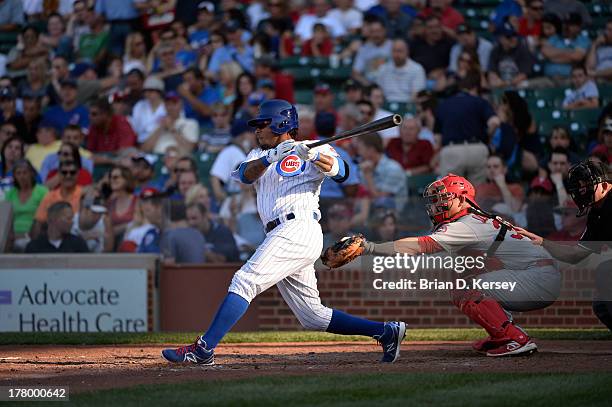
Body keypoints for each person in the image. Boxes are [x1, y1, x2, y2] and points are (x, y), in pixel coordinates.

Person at [162, 99, 406, 365]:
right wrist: (271, 157)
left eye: (263, 124)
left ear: (281, 124)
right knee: (312, 316)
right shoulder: (257, 155)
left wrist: (313, 155)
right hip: (279, 234)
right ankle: (386, 332)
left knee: (245, 281)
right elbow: (244, 175)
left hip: (299, 227)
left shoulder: (316, 149)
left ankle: (203, 349)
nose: (257, 130)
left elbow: (343, 173)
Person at [335, 174, 560, 356]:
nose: (437, 204)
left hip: (537, 278)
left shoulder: (466, 224)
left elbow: (422, 246)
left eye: (444, 198)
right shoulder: (474, 219)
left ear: (462, 200)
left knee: (465, 287)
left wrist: (371, 248)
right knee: (463, 273)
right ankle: (501, 332)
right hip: (536, 274)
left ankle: (514, 338)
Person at [517, 160, 611, 331]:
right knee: (602, 306)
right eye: (580, 186)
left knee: (606, 271)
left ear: (604, 185)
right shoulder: (596, 213)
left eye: (587, 185)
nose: (582, 190)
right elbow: (575, 255)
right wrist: (542, 242)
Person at [435, 72, 500, 185]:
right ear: (474, 88)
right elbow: (495, 122)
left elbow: (437, 139)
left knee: (452, 196)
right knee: (478, 195)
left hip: (452, 150)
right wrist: (487, 138)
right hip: (477, 148)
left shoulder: (443, 105)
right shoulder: (479, 101)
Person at [355, 132, 408, 211]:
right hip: (370, 213)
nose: (358, 153)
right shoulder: (365, 166)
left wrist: (368, 176)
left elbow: (380, 200)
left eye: (360, 149)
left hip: (393, 217)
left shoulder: (393, 169)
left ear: (371, 150)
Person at [4, 159, 47, 251]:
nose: (22, 176)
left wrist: (25, 235)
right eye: (18, 173)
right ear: (14, 176)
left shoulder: (42, 191)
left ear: (31, 174)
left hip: (34, 234)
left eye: (25, 173)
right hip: (12, 236)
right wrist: (10, 236)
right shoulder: (10, 194)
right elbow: (5, 218)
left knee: (20, 244)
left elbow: (44, 219)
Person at [210, 120, 256, 205]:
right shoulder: (230, 151)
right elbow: (215, 179)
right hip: (235, 198)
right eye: (251, 133)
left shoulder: (249, 153)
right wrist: (225, 203)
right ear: (243, 136)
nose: (254, 136)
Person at [32, 160, 82, 237]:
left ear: (78, 174)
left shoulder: (84, 194)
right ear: (58, 174)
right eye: (64, 172)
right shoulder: (49, 196)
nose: (68, 176)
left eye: (72, 172)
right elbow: (38, 221)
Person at [372, 39, 425, 104]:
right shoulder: (383, 68)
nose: (396, 54)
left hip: (408, 105)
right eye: (394, 51)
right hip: (386, 104)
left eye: (400, 51)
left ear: (407, 52)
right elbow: (378, 90)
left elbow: (416, 94)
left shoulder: (417, 69)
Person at [87, 97, 137, 161]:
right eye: (90, 114)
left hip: (120, 164)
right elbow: (89, 153)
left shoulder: (121, 123)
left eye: (94, 114)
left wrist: (104, 158)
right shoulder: (94, 126)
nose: (90, 117)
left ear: (105, 114)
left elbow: (126, 151)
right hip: (102, 163)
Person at [160, 200, 207, 264]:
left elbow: (168, 265)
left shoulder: (169, 235)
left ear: (167, 218)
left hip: (181, 274)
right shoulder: (199, 234)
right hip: (200, 273)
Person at [351, 18, 392, 85]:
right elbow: (355, 73)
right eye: (373, 32)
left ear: (384, 31)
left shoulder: (393, 46)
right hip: (370, 88)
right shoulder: (364, 49)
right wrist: (368, 85)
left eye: (378, 31)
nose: (376, 35)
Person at [131, 77, 168, 146]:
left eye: (151, 90)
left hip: (162, 142)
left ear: (159, 92)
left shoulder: (168, 106)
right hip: (141, 142)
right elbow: (135, 128)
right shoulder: (139, 105)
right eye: (145, 91)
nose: (147, 93)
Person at [106, 164, 138, 242]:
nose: (112, 180)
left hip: (131, 240)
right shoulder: (110, 202)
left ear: (126, 179)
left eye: (116, 177)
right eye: (110, 177)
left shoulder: (137, 200)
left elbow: (138, 222)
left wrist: (117, 229)